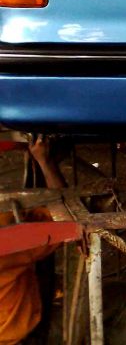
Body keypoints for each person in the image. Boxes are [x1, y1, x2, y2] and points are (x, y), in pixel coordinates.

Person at [0, 135, 64, 344]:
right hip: (17, 335)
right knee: (121, 299)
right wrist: (45, 162)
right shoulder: (8, 241)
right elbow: (63, 218)